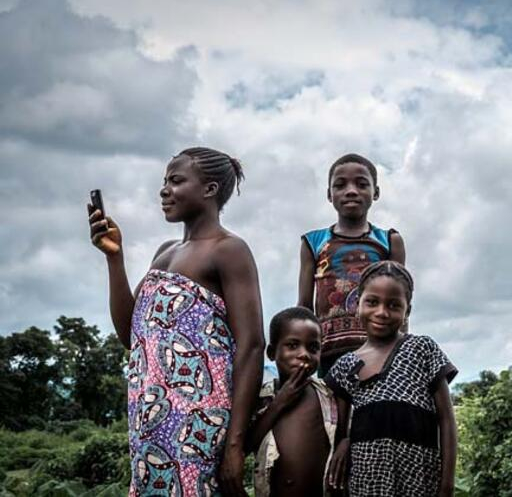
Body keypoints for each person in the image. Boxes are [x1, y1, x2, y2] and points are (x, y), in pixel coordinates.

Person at [88, 147, 265, 496]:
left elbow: (252, 345)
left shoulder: (229, 250)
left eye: (176, 180)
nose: (164, 190)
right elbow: (129, 333)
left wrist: (234, 442)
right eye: (164, 181)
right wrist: (115, 258)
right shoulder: (165, 252)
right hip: (148, 414)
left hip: (197, 419)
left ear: (210, 190)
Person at [324, 261, 458, 497]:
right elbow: (339, 432)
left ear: (407, 311)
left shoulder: (422, 349)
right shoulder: (345, 366)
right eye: (372, 302)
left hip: (419, 480)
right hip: (366, 482)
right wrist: (345, 441)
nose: (382, 312)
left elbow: (446, 419)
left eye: (394, 305)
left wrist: (446, 485)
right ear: (357, 304)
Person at [298, 153, 406, 377]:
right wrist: (304, 356)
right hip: (328, 353)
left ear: (375, 192)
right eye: (340, 185)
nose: (351, 191)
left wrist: (401, 353)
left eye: (361, 184)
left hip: (379, 349)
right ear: (330, 194)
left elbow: (400, 303)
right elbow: (304, 307)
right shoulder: (314, 242)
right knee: (334, 410)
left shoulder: (389, 240)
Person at [245, 306, 336, 497]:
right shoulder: (263, 397)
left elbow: (342, 433)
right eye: (293, 345)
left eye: (313, 348)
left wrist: (344, 442)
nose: (304, 354)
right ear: (272, 352)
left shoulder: (327, 395)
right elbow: (248, 445)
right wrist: (279, 403)